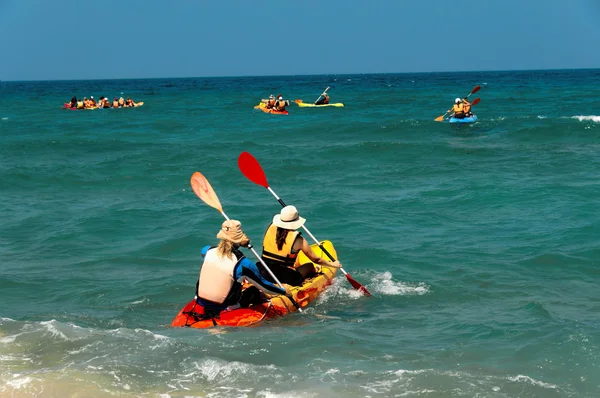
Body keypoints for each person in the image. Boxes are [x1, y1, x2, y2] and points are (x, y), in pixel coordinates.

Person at [195, 219, 292, 315]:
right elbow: (265, 287)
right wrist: (284, 292)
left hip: (201, 301)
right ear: (240, 240)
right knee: (254, 291)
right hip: (226, 307)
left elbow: (218, 256)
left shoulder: (207, 251)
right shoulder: (243, 264)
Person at [260, 205, 341, 286]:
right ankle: (304, 280)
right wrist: (333, 264)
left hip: (263, 270)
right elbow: (317, 260)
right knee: (310, 266)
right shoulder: (299, 240)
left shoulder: (271, 227)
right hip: (283, 277)